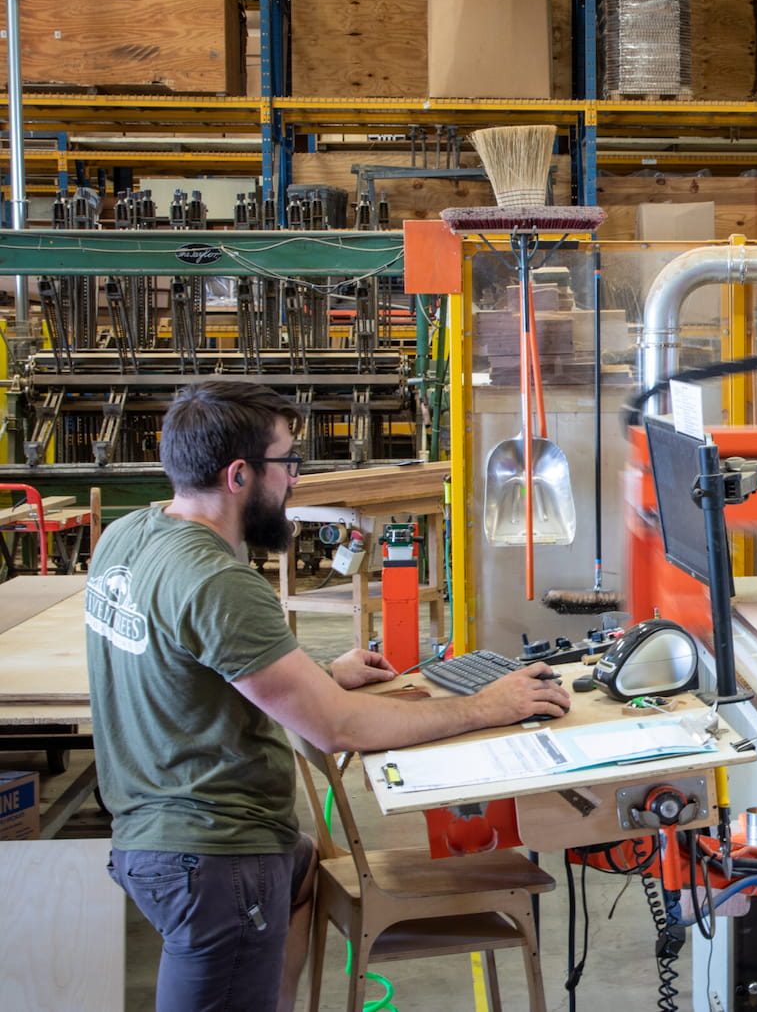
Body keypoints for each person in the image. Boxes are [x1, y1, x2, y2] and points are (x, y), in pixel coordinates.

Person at [85, 379, 570, 1012]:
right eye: (288, 463)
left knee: (301, 871)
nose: (295, 482)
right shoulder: (216, 581)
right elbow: (339, 728)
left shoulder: (127, 535)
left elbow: (190, 661)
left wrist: (312, 674)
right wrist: (489, 706)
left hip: (152, 829)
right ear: (239, 475)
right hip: (210, 857)